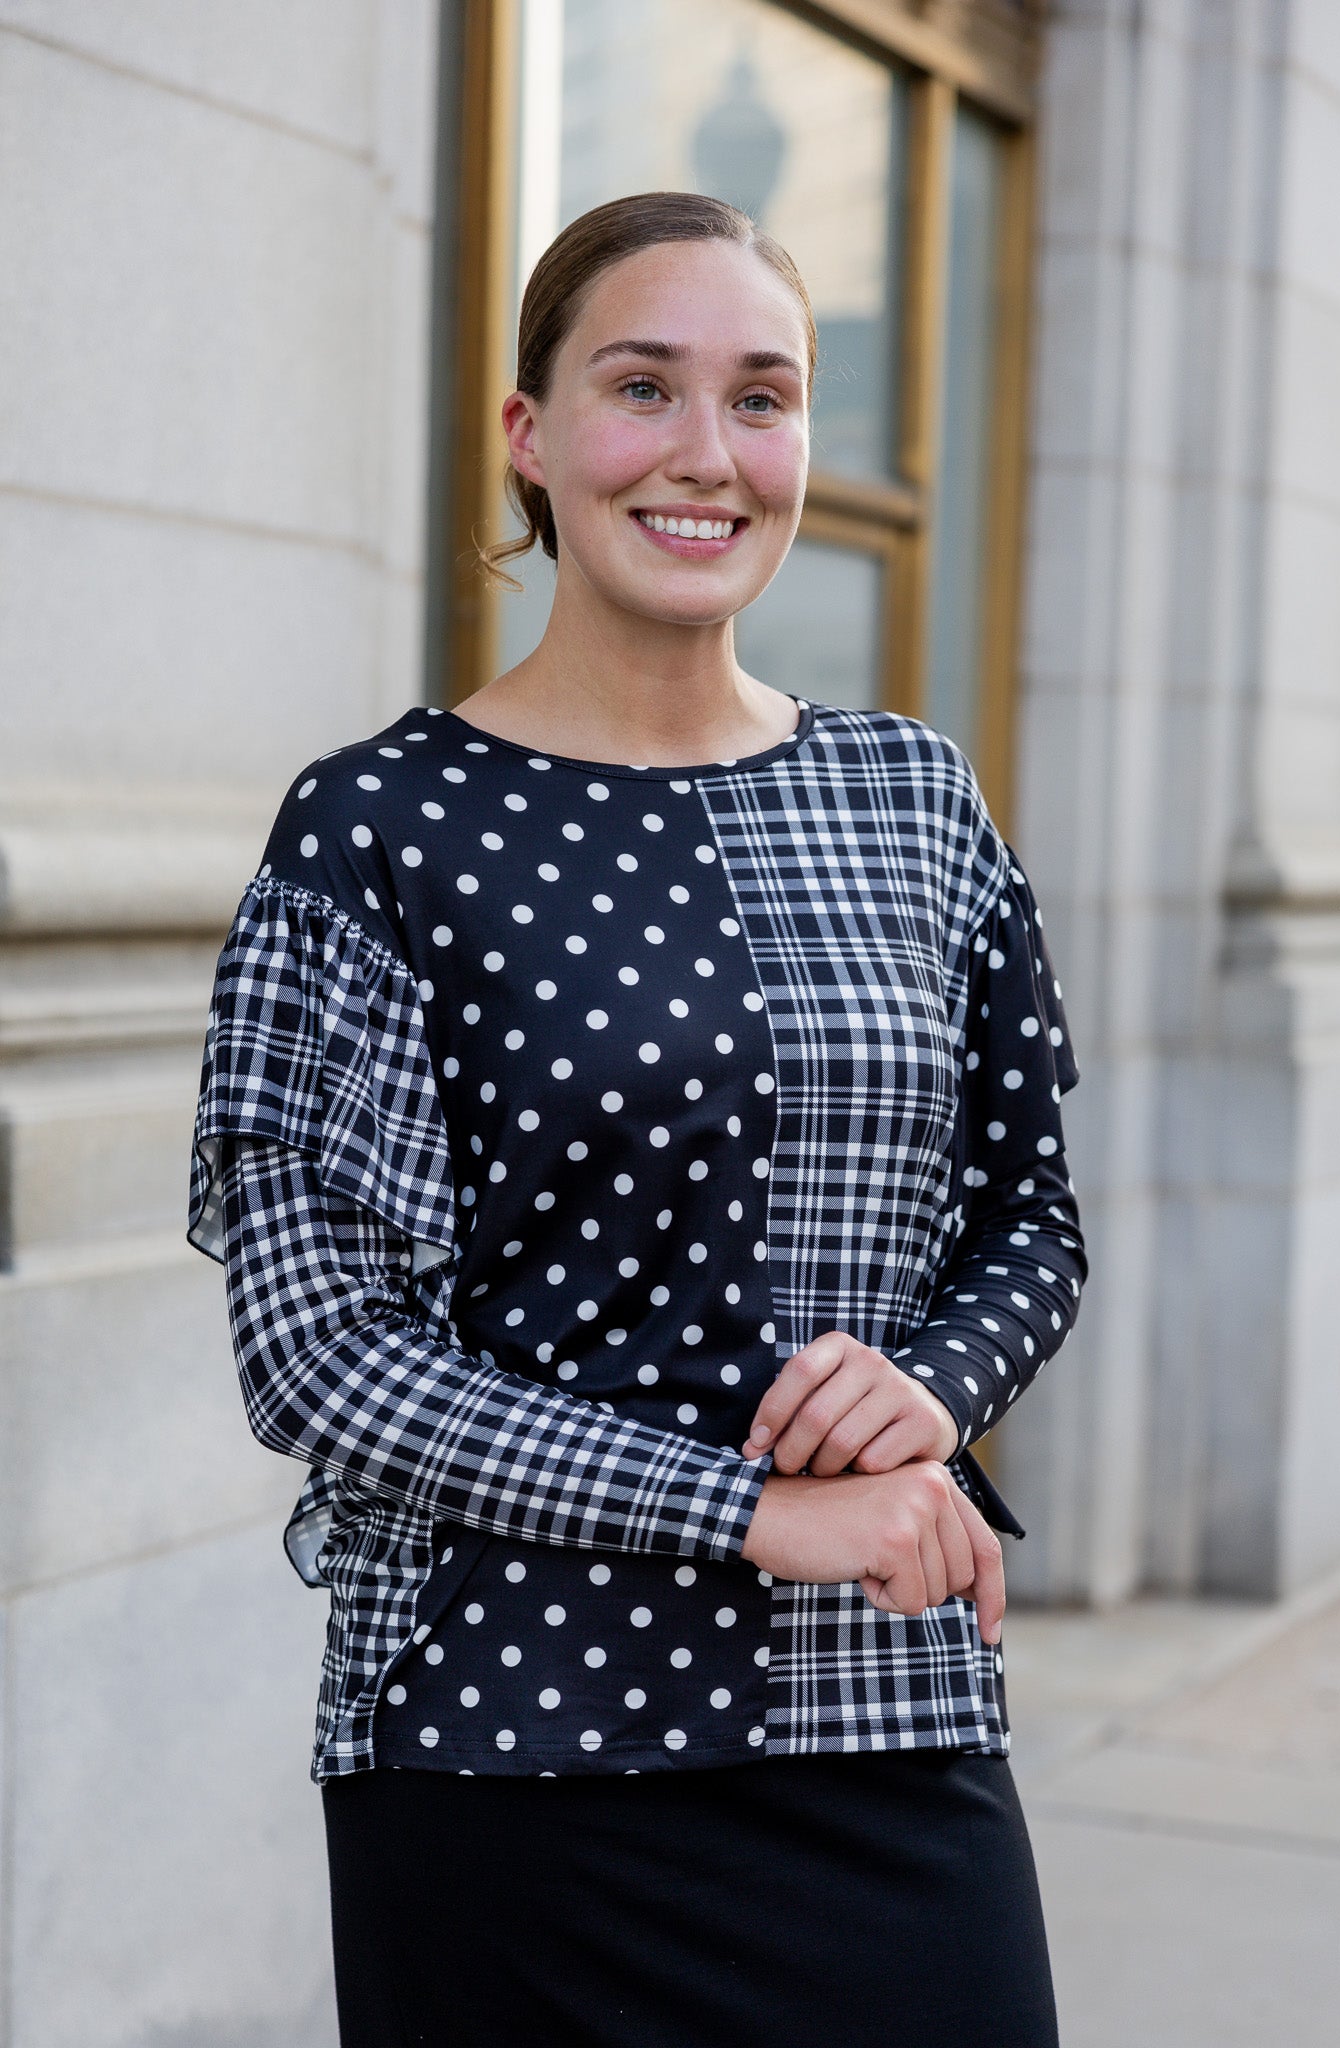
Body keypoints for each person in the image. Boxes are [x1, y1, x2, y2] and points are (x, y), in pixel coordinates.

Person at [189, 190, 1085, 2048]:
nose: (704, 455)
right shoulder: (374, 833)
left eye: (761, 397)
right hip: (511, 1751)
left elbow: (1030, 1219)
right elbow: (322, 1360)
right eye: (640, 388)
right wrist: (755, 1511)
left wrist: (927, 1382)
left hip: (880, 1714)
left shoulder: (911, 798)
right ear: (530, 436)